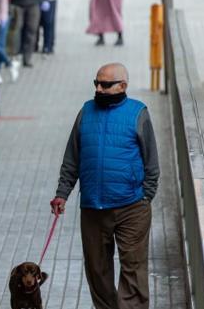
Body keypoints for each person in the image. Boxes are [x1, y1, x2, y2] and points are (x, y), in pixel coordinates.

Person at [50, 63, 159, 309]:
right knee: (97, 270)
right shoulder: (86, 112)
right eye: (96, 84)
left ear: (123, 86)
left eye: (105, 85)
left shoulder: (138, 113)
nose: (98, 89)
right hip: (92, 207)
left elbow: (152, 161)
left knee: (133, 268)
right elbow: (72, 157)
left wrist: (145, 196)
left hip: (132, 206)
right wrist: (62, 193)